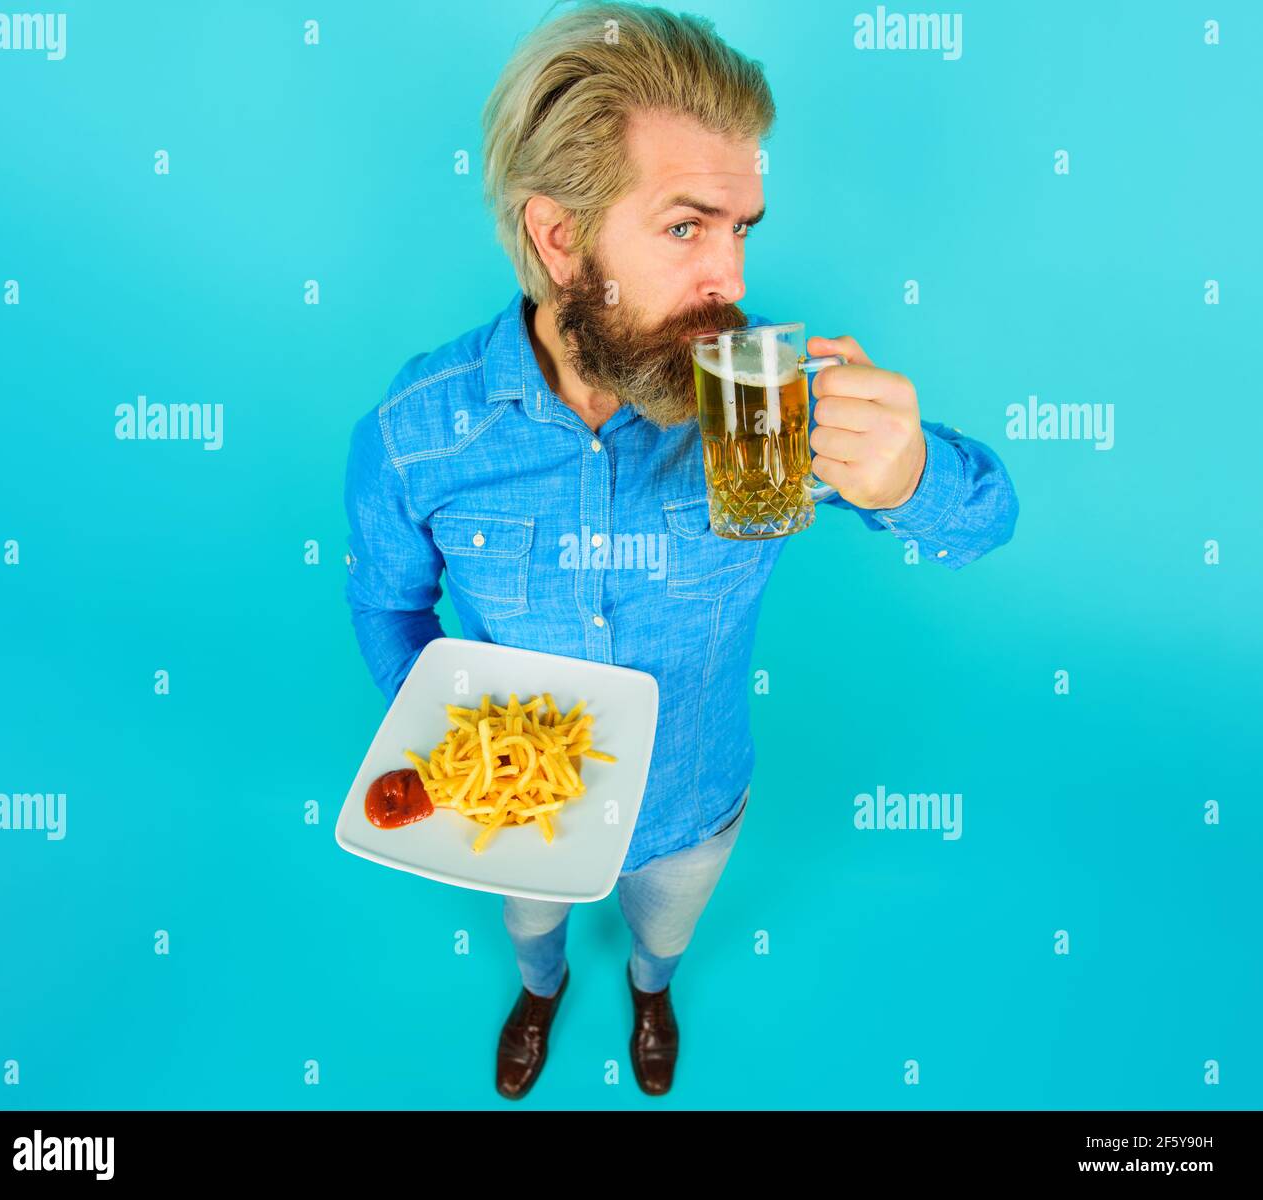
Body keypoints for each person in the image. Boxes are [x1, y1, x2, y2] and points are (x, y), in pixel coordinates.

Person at [343, 0, 1019, 1100]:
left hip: (694, 799)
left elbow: (984, 524)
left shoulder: (759, 402)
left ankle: (650, 997)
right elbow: (384, 604)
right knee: (533, 929)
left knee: (665, 936)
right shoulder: (419, 433)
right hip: (521, 819)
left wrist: (909, 477)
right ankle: (542, 993)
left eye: (740, 229)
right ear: (559, 238)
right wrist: (448, 740)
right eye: (685, 228)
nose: (732, 283)